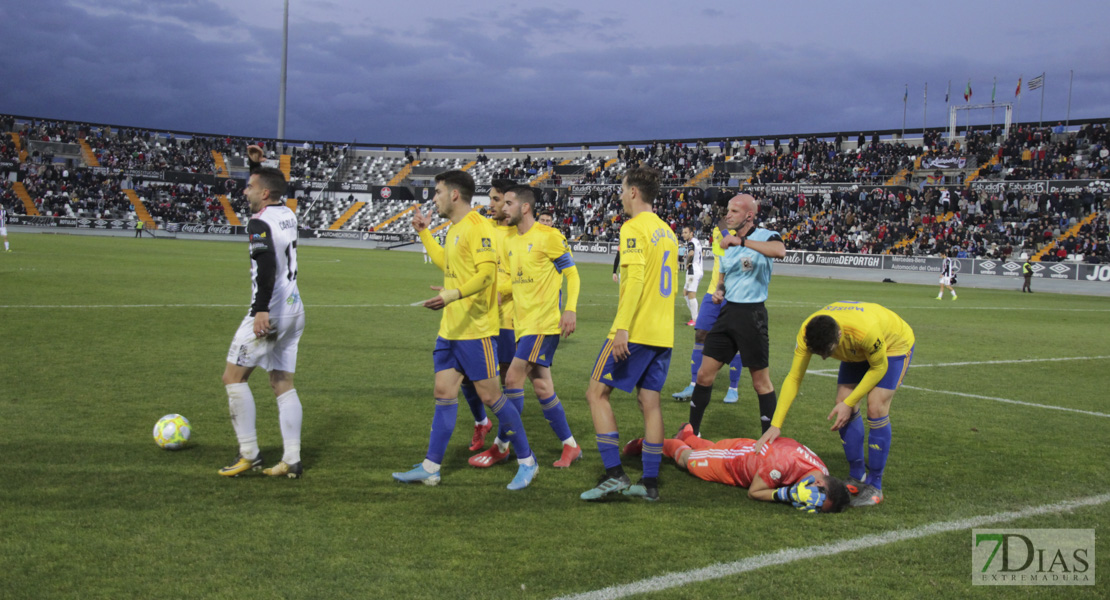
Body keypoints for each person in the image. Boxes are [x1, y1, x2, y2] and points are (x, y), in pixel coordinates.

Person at [392, 170, 537, 490]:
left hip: (475, 331)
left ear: (454, 195)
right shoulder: (455, 229)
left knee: (492, 396)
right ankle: (431, 467)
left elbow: (486, 276)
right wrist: (425, 234)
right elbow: (449, 265)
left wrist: (451, 294)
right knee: (443, 393)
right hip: (450, 330)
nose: (434, 198)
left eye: (438, 192)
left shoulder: (478, 227)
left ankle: (527, 460)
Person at [755, 301, 915, 507]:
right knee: (840, 401)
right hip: (854, 349)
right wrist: (776, 424)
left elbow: (878, 367)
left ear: (838, 335)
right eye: (818, 353)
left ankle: (875, 484)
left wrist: (850, 402)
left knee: (876, 405)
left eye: (827, 352)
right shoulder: (806, 332)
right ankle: (856, 476)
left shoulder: (864, 331)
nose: (822, 358)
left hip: (894, 345)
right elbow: (794, 378)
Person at [580, 167, 678, 502]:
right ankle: (649, 484)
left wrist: (622, 329)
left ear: (634, 192)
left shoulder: (633, 228)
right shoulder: (668, 232)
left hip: (635, 330)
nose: (621, 196)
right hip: (663, 333)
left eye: (623, 190)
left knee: (596, 394)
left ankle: (614, 474)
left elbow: (634, 281)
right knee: (649, 402)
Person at [218, 144, 305, 479]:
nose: (245, 190)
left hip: (272, 310)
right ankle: (292, 459)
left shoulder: (258, 224)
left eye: (250, 187)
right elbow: (274, 183)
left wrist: (259, 310)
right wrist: (255, 165)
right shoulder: (287, 212)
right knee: (282, 381)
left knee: (233, 377)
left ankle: (249, 453)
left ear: (265, 193)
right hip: (295, 308)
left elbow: (266, 265)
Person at [488, 185, 583, 467]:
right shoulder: (511, 242)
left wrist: (569, 309)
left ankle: (503, 445)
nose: (504, 208)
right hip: (523, 326)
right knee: (542, 388)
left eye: (508, 203)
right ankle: (570, 446)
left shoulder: (549, 236)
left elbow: (573, 275)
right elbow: (513, 282)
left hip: (544, 324)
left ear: (525, 207)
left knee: (512, 379)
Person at [687, 194, 784, 438]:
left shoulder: (765, 236)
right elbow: (724, 281)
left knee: (760, 382)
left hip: (752, 314)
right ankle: (693, 433)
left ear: (749, 216)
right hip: (728, 312)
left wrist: (740, 243)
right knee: (704, 374)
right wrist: (719, 292)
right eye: (727, 210)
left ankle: (768, 440)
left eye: (734, 211)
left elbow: (779, 251)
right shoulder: (727, 244)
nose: (727, 215)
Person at [622, 424, 850, 513]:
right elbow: (755, 492)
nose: (810, 503)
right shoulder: (779, 466)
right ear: (818, 484)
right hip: (732, 463)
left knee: (710, 449)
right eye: (816, 501)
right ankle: (651, 443)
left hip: (752, 452)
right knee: (689, 461)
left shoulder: (822, 470)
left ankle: (688, 434)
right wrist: (786, 494)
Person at [463, 179, 517, 459]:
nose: (491, 204)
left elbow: (520, 277)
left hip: (507, 320)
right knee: (464, 376)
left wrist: (499, 290)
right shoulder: (483, 229)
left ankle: (504, 444)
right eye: (491, 199)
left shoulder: (517, 234)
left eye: (497, 199)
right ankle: (481, 422)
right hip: (479, 317)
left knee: (507, 382)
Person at [672, 222, 746, 405]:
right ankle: (693, 384)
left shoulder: (745, 232)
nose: (729, 214)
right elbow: (720, 255)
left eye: (733, 211)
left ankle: (733, 388)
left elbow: (746, 263)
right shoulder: (717, 228)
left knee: (735, 339)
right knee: (701, 334)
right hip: (713, 291)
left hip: (735, 294)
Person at [680, 225, 704, 327]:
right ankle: (695, 315)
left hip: (693, 271)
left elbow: (691, 253)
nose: (683, 234)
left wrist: (688, 263)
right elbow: (700, 252)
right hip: (698, 269)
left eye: (686, 232)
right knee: (685, 292)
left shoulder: (691, 243)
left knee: (690, 294)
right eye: (683, 232)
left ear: (691, 233)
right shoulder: (696, 241)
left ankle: (695, 319)